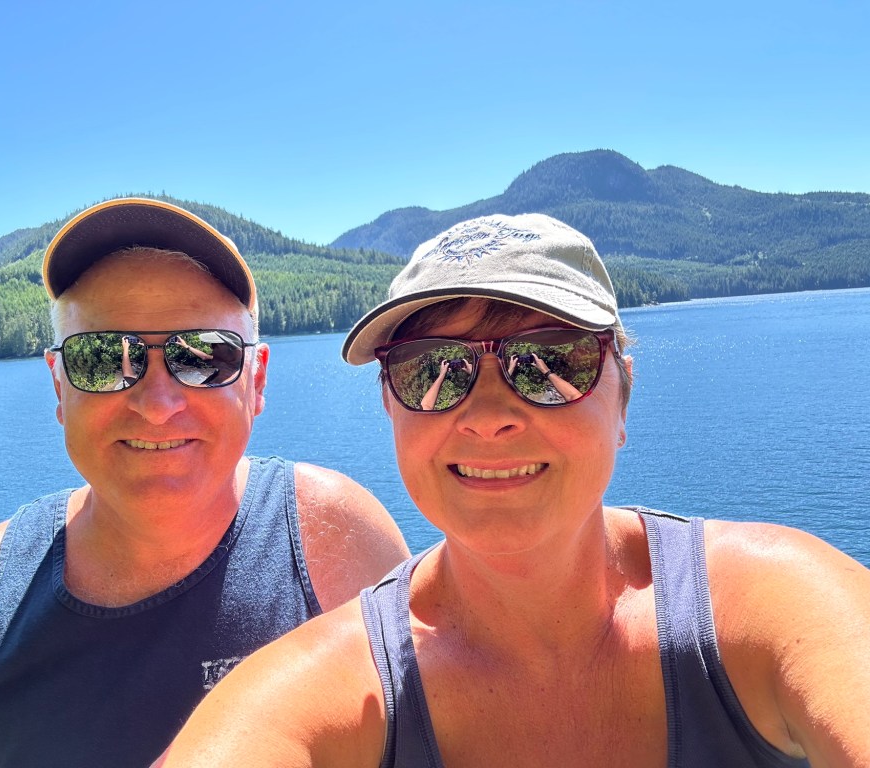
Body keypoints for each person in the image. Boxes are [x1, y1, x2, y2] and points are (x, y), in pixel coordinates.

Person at [157, 213, 870, 767]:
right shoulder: (323, 693)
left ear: (621, 397)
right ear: (390, 408)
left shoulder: (772, 604)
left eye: (548, 362)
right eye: (431, 371)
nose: (488, 416)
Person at [0, 198, 410, 767]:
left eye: (203, 356)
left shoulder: (343, 542)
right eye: (103, 359)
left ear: (257, 379)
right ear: (59, 386)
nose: (157, 404)